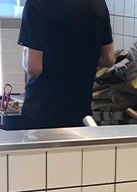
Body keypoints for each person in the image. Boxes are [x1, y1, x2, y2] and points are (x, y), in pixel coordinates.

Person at [18, 0, 116, 129]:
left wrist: (26, 55)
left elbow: (34, 67)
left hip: (43, 113)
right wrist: (79, 59)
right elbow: (108, 59)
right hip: (80, 113)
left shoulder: (37, 3)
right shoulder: (98, 3)